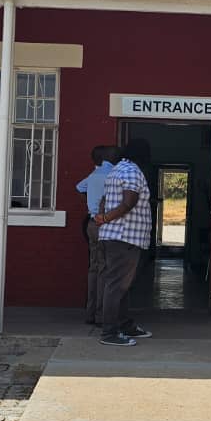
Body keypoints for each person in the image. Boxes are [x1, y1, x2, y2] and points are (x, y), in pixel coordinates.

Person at [93, 139, 154, 347]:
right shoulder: (132, 171)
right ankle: (109, 332)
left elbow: (104, 198)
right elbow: (129, 202)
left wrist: (102, 215)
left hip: (116, 236)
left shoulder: (117, 170)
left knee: (122, 286)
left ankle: (125, 325)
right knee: (116, 285)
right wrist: (107, 217)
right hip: (124, 236)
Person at [76, 145, 117, 325]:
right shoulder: (113, 174)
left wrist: (91, 198)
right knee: (105, 270)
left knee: (93, 268)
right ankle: (101, 315)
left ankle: (90, 313)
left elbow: (79, 187)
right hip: (105, 225)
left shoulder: (93, 175)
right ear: (107, 158)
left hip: (92, 224)